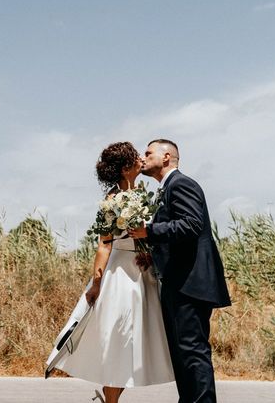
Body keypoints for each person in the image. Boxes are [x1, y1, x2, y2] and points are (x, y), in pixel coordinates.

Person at [46, 142, 174, 403]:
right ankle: (110, 399)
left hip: (142, 274)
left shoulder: (140, 192)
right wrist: (96, 283)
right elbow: (104, 243)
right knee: (119, 339)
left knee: (135, 342)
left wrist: (147, 251)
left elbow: (146, 233)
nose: (141, 158)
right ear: (126, 167)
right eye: (135, 156)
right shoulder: (112, 200)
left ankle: (110, 397)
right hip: (120, 275)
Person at [129, 139, 231, 403]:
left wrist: (148, 231)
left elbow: (191, 225)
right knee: (181, 354)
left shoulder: (181, 184)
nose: (144, 156)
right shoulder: (166, 189)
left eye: (148, 152)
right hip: (177, 283)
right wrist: (154, 256)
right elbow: (180, 235)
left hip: (191, 284)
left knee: (193, 352)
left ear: (166, 157)